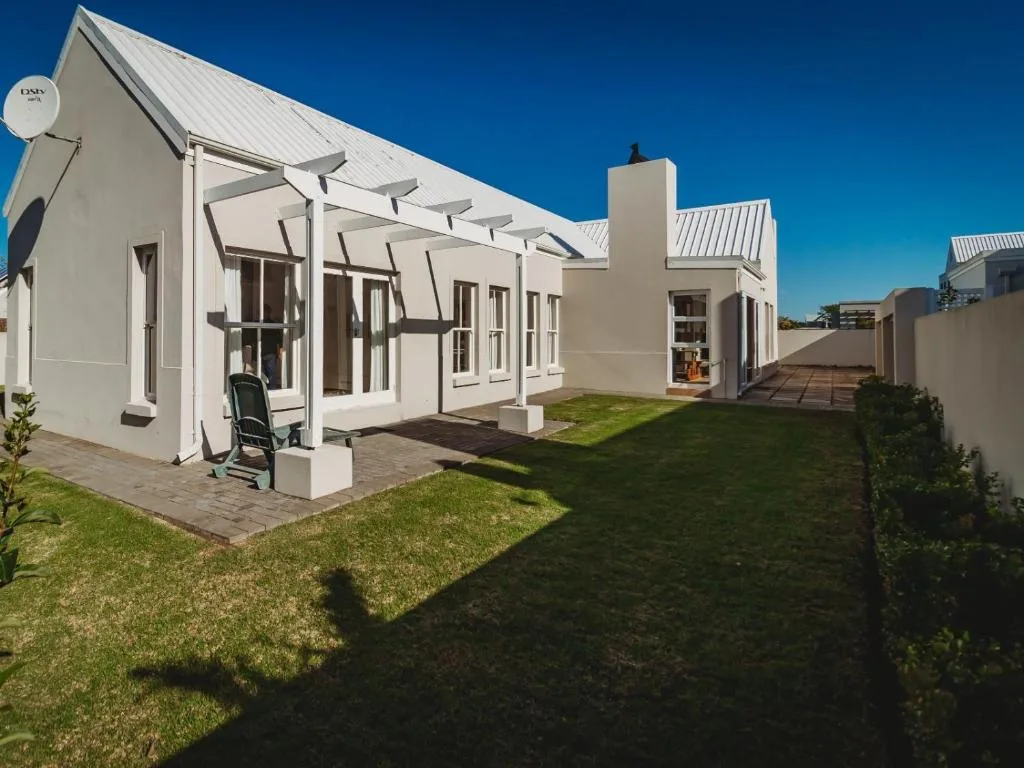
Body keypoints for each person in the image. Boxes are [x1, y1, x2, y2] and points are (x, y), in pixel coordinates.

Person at [261, 303, 284, 389]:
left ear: (268, 313)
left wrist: (279, 352)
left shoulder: (273, 324)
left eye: (264, 312)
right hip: (264, 353)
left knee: (270, 375)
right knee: (265, 375)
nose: (263, 313)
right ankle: (268, 391)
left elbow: (278, 340)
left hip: (270, 353)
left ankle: (271, 391)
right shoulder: (272, 324)